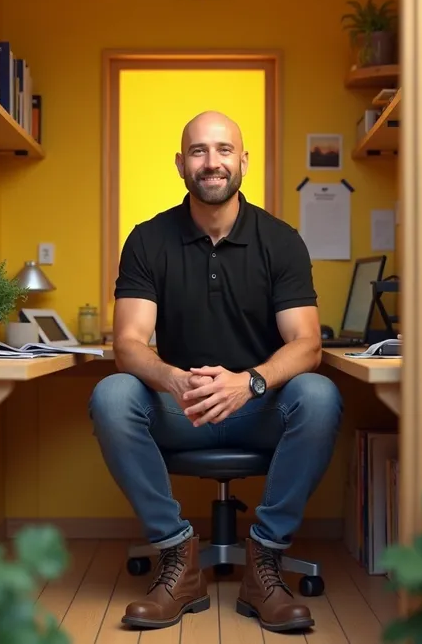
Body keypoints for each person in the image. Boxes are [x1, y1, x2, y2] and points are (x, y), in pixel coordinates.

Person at [89, 110, 343, 633]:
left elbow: (307, 344)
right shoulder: (147, 240)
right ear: (181, 164)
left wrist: (247, 382)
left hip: (258, 407)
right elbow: (129, 345)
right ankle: (177, 556)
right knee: (113, 394)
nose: (212, 162)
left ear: (243, 161)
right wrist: (175, 379)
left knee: (318, 394)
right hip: (181, 407)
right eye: (200, 151)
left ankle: (265, 562)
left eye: (224, 150)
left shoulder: (281, 240)